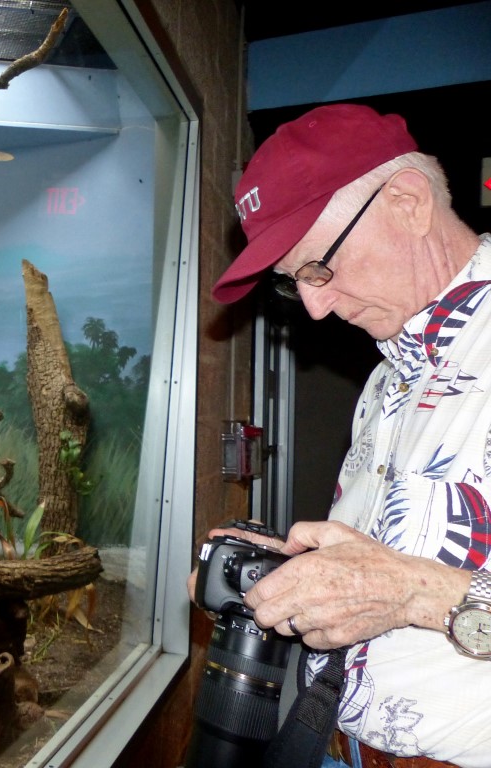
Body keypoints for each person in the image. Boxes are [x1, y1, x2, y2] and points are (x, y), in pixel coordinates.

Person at [198, 102, 491, 768]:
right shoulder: (388, 377)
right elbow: (386, 569)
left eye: (319, 268)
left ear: (408, 202)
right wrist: (290, 577)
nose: (314, 306)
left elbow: (404, 585)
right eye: (292, 282)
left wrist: (414, 594)